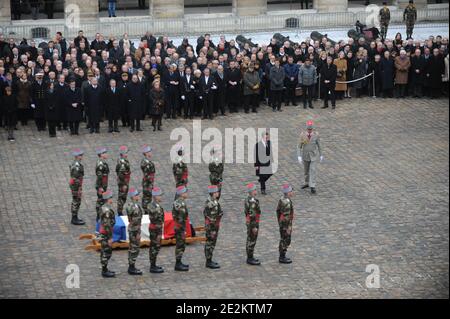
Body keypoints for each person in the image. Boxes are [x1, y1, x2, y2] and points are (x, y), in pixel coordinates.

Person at [298, 120, 323, 195]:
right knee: (306, 171)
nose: (309, 131)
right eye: (308, 129)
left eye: (311, 129)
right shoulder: (302, 135)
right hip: (305, 155)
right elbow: (299, 146)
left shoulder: (316, 135)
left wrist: (321, 154)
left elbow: (319, 145)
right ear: (306, 129)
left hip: (313, 155)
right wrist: (299, 155)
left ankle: (312, 186)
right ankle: (307, 182)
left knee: (313, 170)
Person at [203, 185, 223, 269]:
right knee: (210, 243)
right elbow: (212, 218)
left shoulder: (209, 201)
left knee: (210, 243)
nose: (218, 193)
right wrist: (213, 229)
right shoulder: (213, 203)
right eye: (216, 192)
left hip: (211, 225)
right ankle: (208, 261)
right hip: (212, 227)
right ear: (213, 193)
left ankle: (209, 260)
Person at [125, 188, 143, 275]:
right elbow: (135, 219)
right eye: (137, 195)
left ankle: (132, 265)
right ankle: (131, 267)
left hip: (134, 228)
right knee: (134, 248)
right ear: (134, 197)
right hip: (134, 230)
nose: (138, 196)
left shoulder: (134, 205)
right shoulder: (133, 207)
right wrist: (137, 232)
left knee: (134, 247)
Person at [98, 190, 116, 278]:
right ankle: (104, 271)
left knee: (105, 251)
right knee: (106, 252)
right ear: (107, 199)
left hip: (104, 233)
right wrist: (110, 238)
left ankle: (105, 269)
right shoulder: (107, 211)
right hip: (106, 234)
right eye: (111, 198)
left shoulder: (104, 208)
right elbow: (107, 225)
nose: (112, 199)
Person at [172, 185, 190, 271]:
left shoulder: (179, 202)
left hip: (179, 226)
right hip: (180, 227)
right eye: (185, 192)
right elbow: (182, 217)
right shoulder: (180, 204)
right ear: (182, 194)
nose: (187, 193)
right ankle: (178, 263)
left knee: (181, 244)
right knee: (180, 245)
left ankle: (179, 262)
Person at [148, 187, 165, 273]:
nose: (161, 197)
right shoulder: (152, 206)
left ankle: (154, 264)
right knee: (154, 247)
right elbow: (155, 218)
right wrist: (158, 232)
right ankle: (152, 266)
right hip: (155, 229)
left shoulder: (157, 205)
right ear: (155, 197)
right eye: (159, 195)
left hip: (158, 228)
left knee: (157, 246)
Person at [276, 184, 294, 264]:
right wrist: (288, 227)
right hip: (285, 224)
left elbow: (278, 211)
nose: (292, 192)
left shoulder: (282, 199)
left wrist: (279, 221)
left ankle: (282, 255)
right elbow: (287, 217)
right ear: (288, 193)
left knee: (283, 238)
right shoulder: (287, 203)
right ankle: (282, 256)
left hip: (281, 222)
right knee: (285, 239)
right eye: (291, 191)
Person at [244, 183, 261, 266]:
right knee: (252, 240)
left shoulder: (249, 199)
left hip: (250, 222)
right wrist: (254, 226)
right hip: (252, 223)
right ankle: (250, 258)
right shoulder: (252, 202)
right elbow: (252, 215)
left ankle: (250, 256)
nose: (256, 191)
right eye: (254, 190)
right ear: (251, 192)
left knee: (250, 239)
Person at [69, 148, 86, 226]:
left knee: (77, 201)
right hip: (76, 186)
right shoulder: (76, 166)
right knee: (76, 201)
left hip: (76, 185)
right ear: (76, 156)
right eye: (80, 155)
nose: (81, 156)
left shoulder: (77, 164)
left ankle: (75, 217)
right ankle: (74, 218)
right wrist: (79, 188)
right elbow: (75, 179)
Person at [95, 147, 109, 221]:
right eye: (105, 153)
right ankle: (98, 216)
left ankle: (101, 214)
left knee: (102, 200)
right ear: (101, 154)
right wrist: (100, 187)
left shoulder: (103, 162)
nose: (107, 154)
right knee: (100, 200)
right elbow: (99, 177)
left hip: (103, 184)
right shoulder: (100, 165)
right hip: (101, 185)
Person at [116, 145, 131, 216]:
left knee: (122, 196)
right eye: (126, 153)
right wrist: (124, 184)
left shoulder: (121, 160)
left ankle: (120, 210)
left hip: (124, 180)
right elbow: (121, 175)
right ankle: (119, 212)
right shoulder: (122, 163)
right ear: (122, 154)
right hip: (123, 182)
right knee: (122, 197)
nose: (127, 154)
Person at [141, 145, 155, 213]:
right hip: (148, 183)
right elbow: (147, 175)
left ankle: (146, 209)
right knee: (147, 197)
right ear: (146, 153)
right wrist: (150, 183)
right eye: (149, 151)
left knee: (147, 197)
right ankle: (146, 211)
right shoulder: (147, 163)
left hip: (148, 182)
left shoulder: (145, 161)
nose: (150, 152)